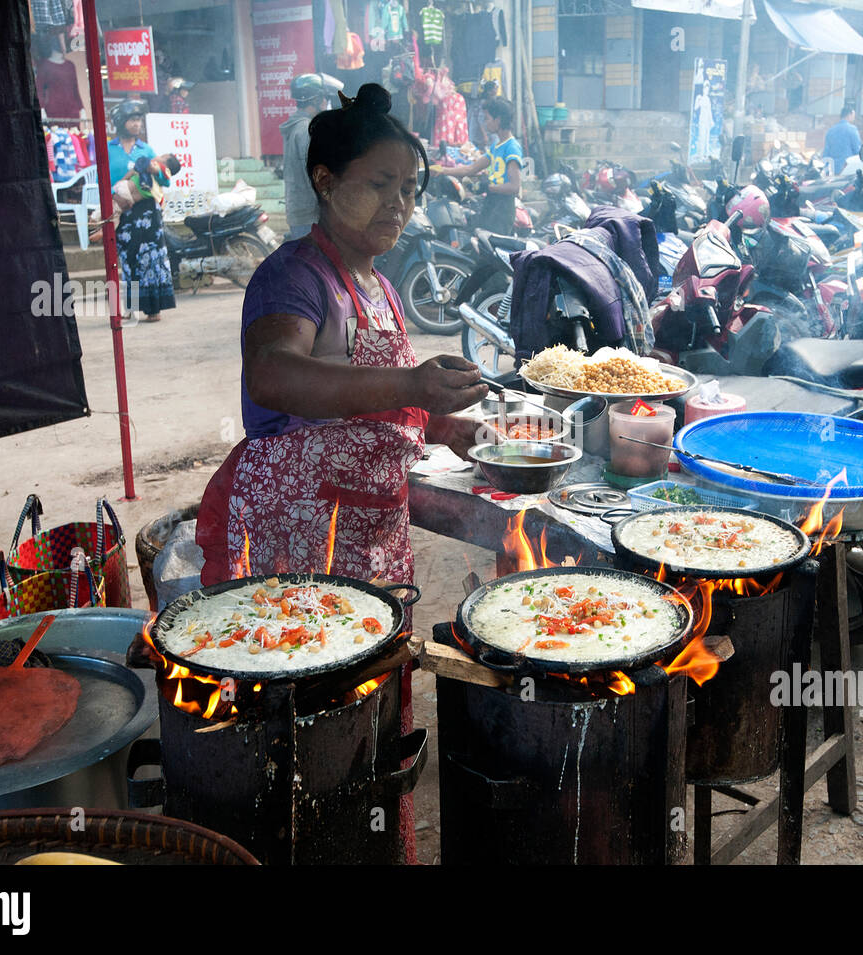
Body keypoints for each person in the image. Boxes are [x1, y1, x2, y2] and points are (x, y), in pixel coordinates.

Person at [194, 84, 485, 864]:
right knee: (308, 719)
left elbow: (373, 400)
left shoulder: (382, 286)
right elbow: (277, 377)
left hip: (372, 538)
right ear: (325, 180)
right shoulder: (295, 276)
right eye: (380, 184)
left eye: (410, 191)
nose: (400, 205)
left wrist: (443, 423)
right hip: (300, 543)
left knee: (374, 723)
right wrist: (411, 386)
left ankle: (370, 843)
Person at [107, 99, 177, 323]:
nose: (137, 124)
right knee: (127, 258)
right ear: (121, 122)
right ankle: (130, 306)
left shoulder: (147, 149)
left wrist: (155, 170)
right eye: (132, 120)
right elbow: (102, 179)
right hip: (122, 210)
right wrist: (114, 195)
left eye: (139, 120)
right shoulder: (108, 149)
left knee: (151, 259)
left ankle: (154, 308)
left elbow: (164, 181)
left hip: (148, 213)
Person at [434, 96, 522, 235]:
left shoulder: (511, 147)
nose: (485, 124)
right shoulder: (496, 146)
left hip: (503, 209)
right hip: (491, 204)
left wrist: (488, 187)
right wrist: (442, 170)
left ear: (498, 120)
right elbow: (471, 168)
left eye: (487, 119)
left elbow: (514, 187)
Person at [281, 73, 342, 240]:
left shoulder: (297, 127)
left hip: (301, 212)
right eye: (324, 98)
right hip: (309, 216)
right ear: (315, 100)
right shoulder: (306, 131)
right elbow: (314, 174)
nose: (326, 102)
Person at [822, 105, 863, 176]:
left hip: (833, 169)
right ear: (849, 115)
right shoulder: (852, 129)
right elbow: (857, 149)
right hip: (847, 168)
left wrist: (826, 170)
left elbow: (826, 152)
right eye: (853, 115)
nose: (854, 118)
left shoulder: (830, 131)